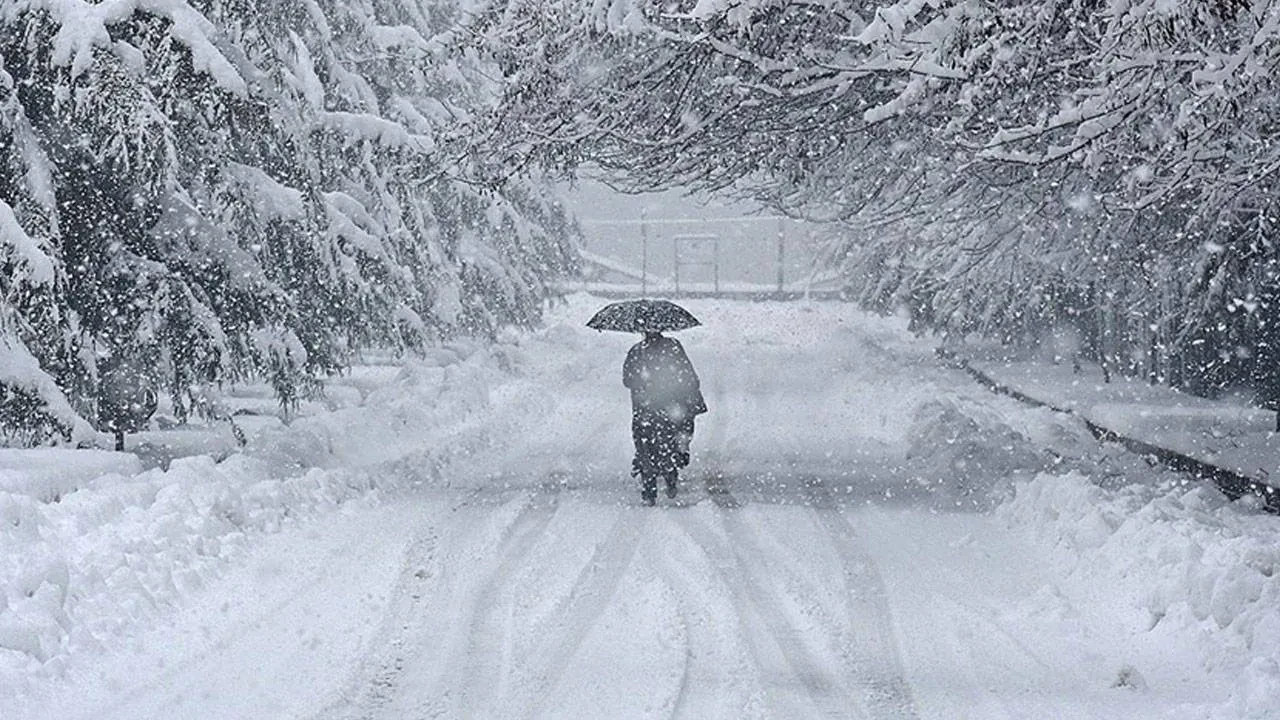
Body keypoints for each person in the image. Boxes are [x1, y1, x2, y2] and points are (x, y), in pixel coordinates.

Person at [623, 330, 706, 504]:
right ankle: (670, 477)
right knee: (668, 444)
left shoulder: (637, 351)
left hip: (645, 409)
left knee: (645, 447)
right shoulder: (673, 348)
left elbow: (627, 380)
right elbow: (687, 374)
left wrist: (644, 383)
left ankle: (649, 489)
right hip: (669, 407)